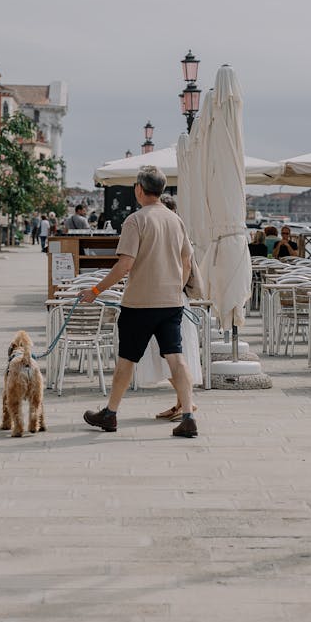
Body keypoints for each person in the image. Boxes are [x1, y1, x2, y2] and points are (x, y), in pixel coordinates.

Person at [80, 164, 197, 438]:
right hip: (171, 302)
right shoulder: (175, 220)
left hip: (139, 303)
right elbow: (187, 262)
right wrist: (175, 288)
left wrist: (95, 292)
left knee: (126, 360)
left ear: (139, 189)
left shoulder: (135, 220)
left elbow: (124, 265)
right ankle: (189, 414)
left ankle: (110, 413)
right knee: (176, 358)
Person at [138, 193, 202, 421]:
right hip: (172, 300)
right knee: (171, 354)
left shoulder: (174, 232)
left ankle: (187, 403)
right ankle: (181, 404)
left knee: (168, 354)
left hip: (169, 301)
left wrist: (175, 289)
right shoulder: (176, 231)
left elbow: (185, 265)